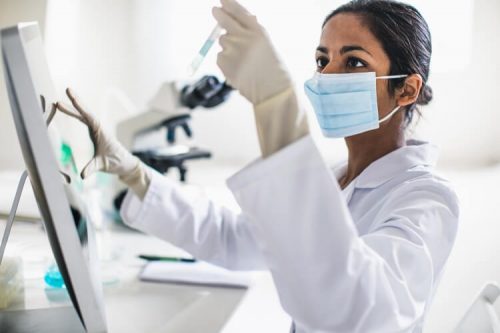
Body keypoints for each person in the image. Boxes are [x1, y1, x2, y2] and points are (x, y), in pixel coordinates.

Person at [56, 0, 459, 331]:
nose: (328, 75)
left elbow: (355, 309)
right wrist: (134, 173)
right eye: (322, 60)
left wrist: (274, 102)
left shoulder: (426, 199)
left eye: (353, 62)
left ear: (406, 88)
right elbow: (232, 238)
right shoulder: (338, 176)